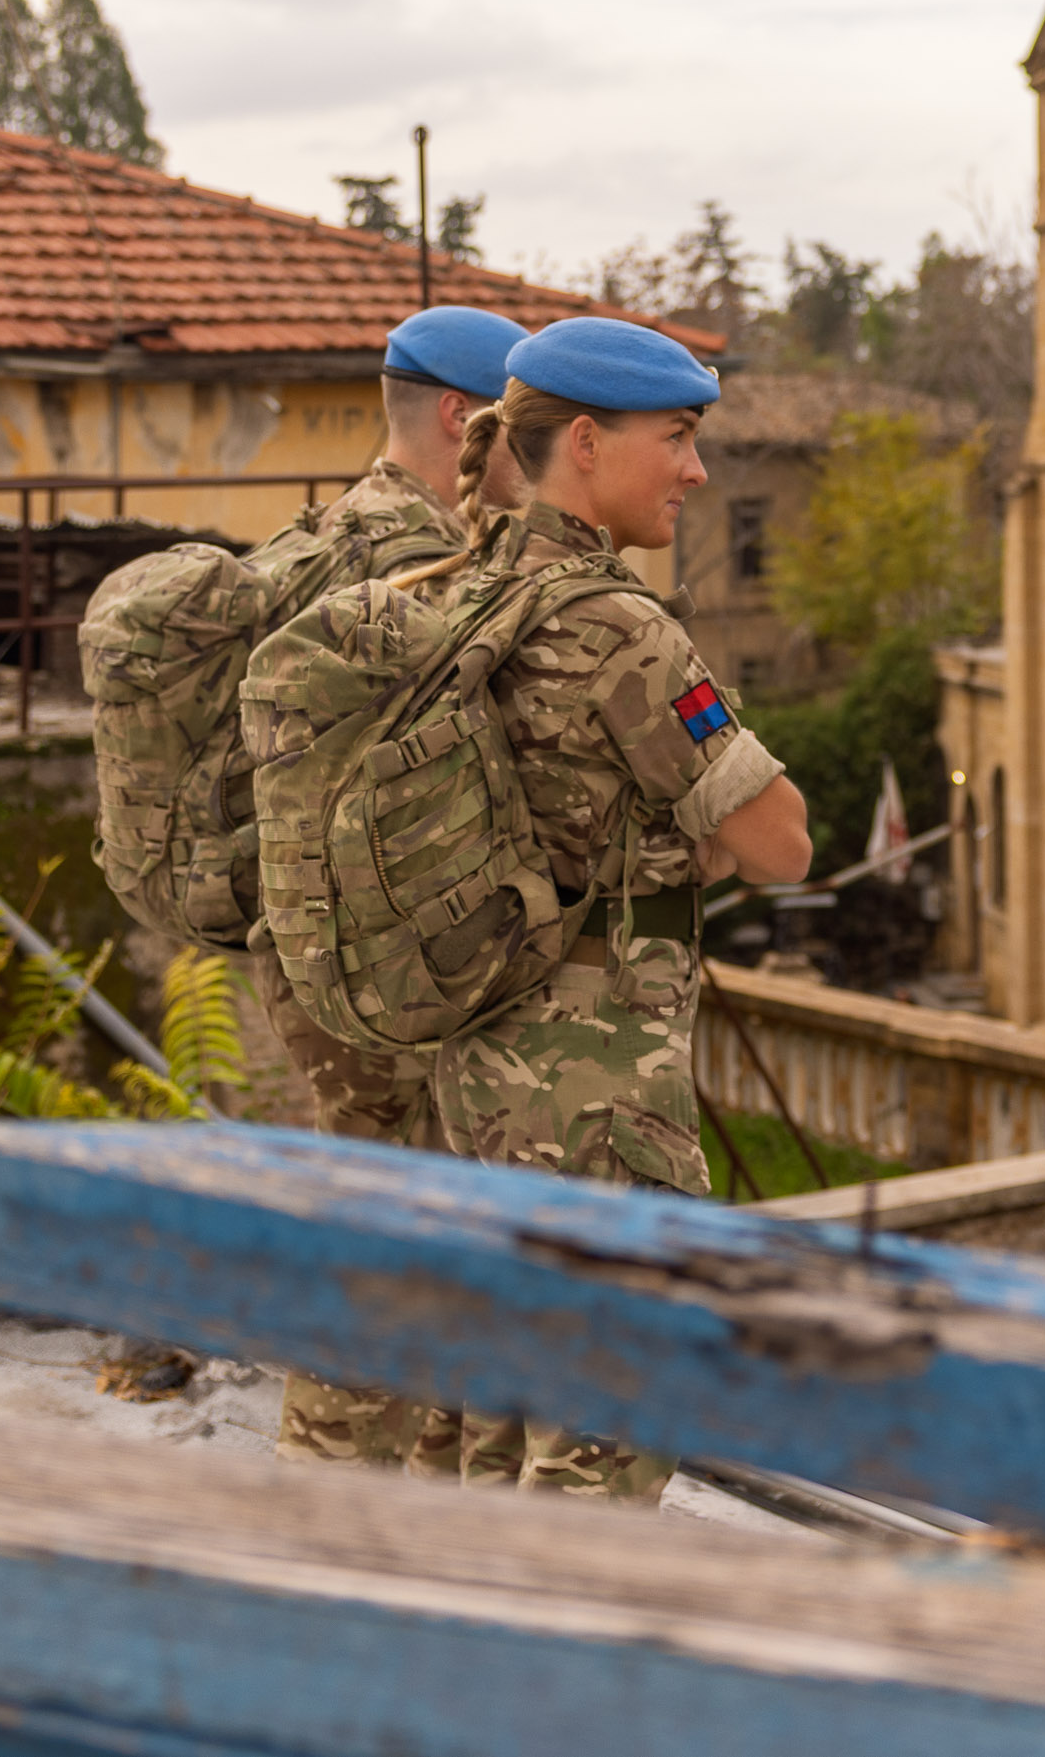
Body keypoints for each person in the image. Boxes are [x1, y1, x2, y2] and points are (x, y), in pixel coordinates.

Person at [401, 314, 812, 1494]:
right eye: (676, 439)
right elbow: (779, 838)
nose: (696, 470)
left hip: (480, 1066)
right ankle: (555, 1670)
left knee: (503, 1417)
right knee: (606, 1438)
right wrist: (704, 844)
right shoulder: (619, 625)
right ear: (585, 441)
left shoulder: (466, 585)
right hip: (594, 1095)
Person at [257, 304, 533, 1471]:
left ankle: (402, 1493)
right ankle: (324, 1511)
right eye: (530, 427)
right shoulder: (414, 563)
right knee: (390, 1240)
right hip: (384, 965)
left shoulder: (324, 532)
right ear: (467, 419)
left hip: (312, 945)